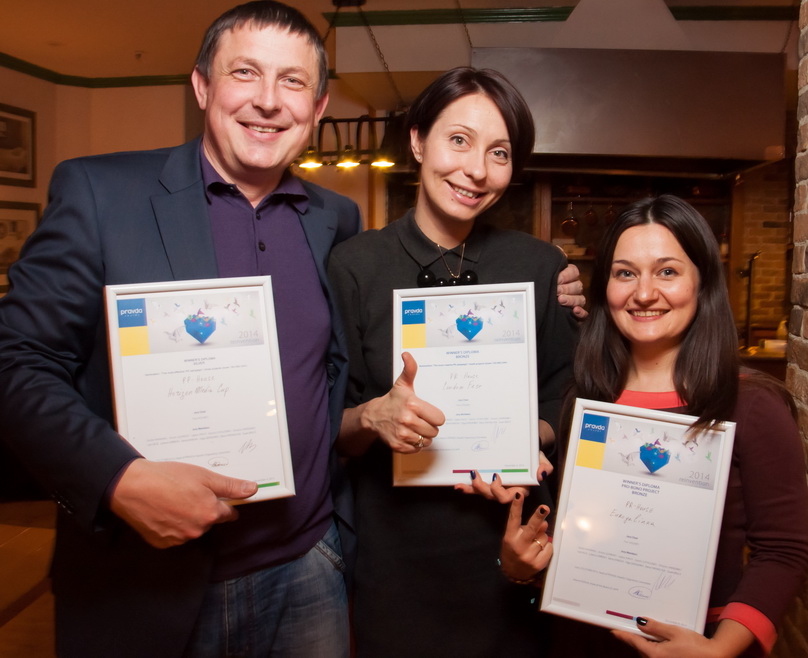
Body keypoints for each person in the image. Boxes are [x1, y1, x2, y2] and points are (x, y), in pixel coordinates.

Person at [0, 3, 361, 656]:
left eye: (292, 81)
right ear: (202, 85)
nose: (268, 100)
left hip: (309, 564)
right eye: (244, 72)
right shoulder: (101, 193)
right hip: (146, 581)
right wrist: (117, 478)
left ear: (317, 107)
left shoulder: (335, 217)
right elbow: (17, 360)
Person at [327, 67, 580, 656]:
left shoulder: (539, 266)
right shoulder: (355, 266)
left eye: (499, 152)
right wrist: (372, 417)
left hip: (511, 546)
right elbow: (329, 428)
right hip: (395, 558)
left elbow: (566, 394)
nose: (477, 170)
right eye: (459, 140)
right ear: (418, 141)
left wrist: (523, 436)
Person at [504, 194, 808, 657]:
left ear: (702, 282)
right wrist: (522, 565)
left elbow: (784, 551)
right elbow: (582, 535)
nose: (644, 293)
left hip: (699, 644)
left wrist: (721, 649)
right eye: (625, 273)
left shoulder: (751, 403)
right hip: (582, 641)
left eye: (667, 271)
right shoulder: (583, 400)